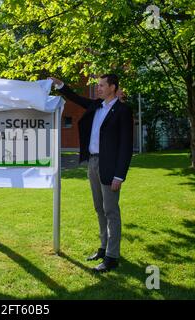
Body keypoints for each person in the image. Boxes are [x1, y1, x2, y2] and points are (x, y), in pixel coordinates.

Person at [49, 74, 133, 272]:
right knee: (99, 208)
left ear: (113, 87)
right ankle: (104, 248)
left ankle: (112, 257)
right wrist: (60, 85)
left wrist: (119, 175)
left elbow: (126, 146)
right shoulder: (96, 106)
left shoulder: (122, 110)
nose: (98, 88)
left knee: (111, 211)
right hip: (93, 163)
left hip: (110, 166)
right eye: (98, 85)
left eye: (102, 85)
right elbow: (77, 99)